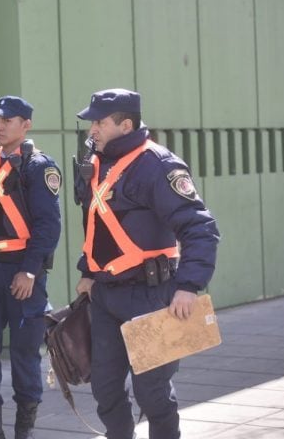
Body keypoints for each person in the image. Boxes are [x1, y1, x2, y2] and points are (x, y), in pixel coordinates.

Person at [73, 89, 219, 439]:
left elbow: (200, 227)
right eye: (92, 121)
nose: (92, 129)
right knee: (105, 390)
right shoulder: (98, 163)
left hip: (152, 296)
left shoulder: (158, 165)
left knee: (151, 394)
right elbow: (98, 225)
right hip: (106, 296)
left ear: (126, 125)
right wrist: (88, 272)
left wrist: (188, 286)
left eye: (100, 122)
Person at [0, 96, 62, 439]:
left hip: (23, 272)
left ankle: (25, 431)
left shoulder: (39, 167)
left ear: (26, 125)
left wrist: (30, 271)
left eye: (8, 120)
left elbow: (49, 227)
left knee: (23, 355)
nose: (0, 126)